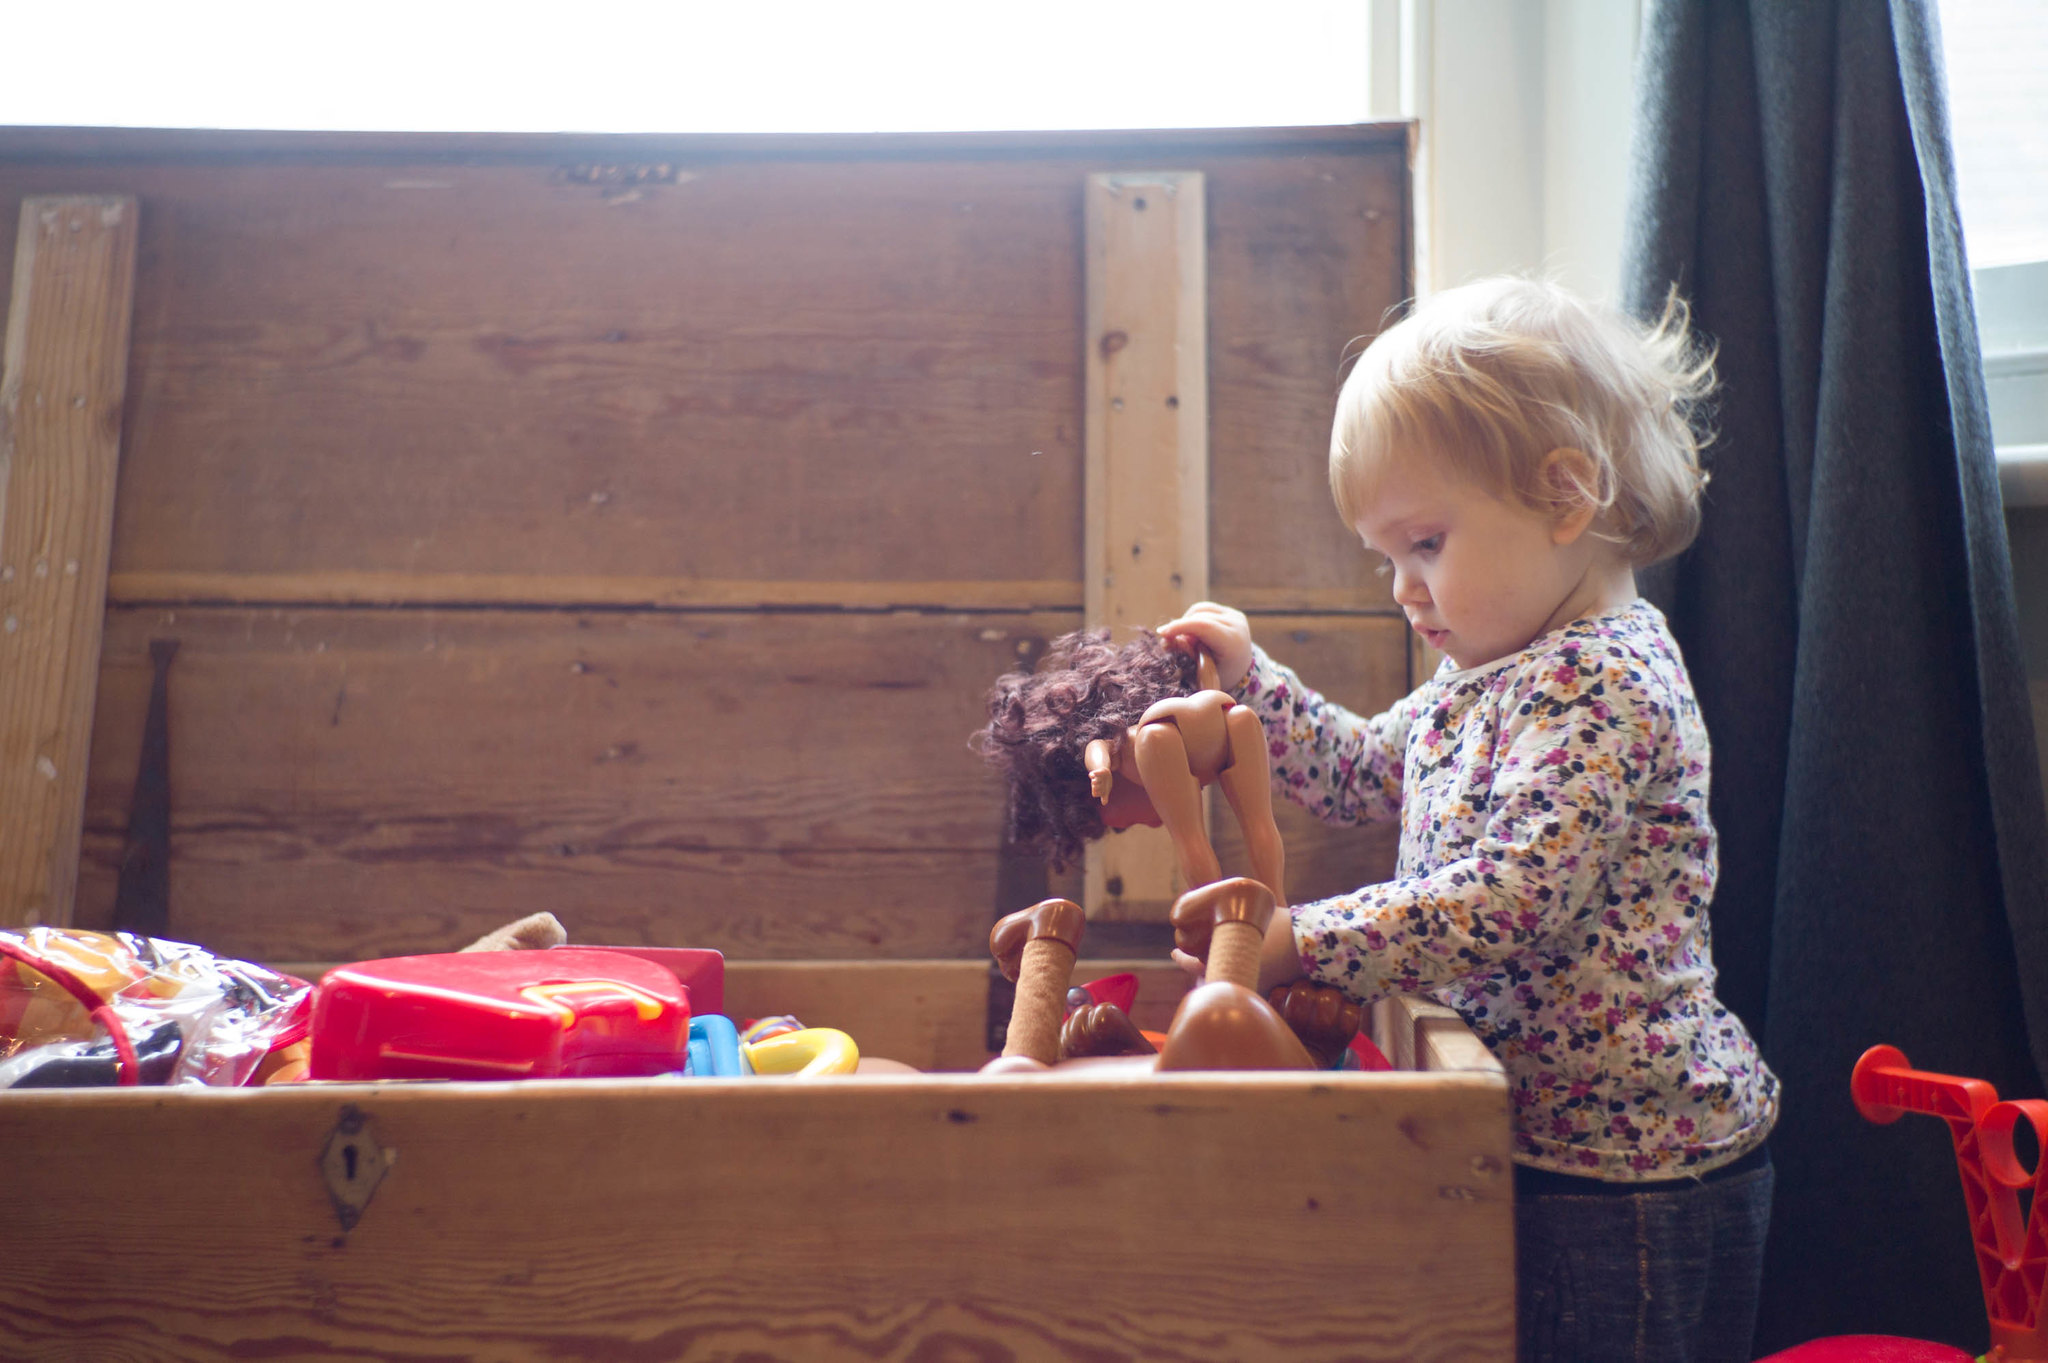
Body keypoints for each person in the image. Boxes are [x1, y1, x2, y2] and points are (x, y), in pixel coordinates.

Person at [1159, 276, 1779, 1363]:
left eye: (1426, 544)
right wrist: (1255, 686)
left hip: (1622, 1165)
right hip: (1528, 1133)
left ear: (1564, 498)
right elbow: (1356, 772)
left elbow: (1513, 897)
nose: (1402, 588)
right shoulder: (1484, 680)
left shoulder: (1604, 681)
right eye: (1387, 558)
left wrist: (1308, 936)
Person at [969, 629, 1286, 906]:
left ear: (1083, 797)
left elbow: (1094, 749)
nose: (1151, 826)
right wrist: (1202, 652)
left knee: (1191, 837)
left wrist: (1100, 772)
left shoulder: (1131, 745)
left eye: (1119, 825)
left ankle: (1221, 919)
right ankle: (1271, 906)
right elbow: (1210, 686)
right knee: (1258, 821)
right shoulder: (1164, 743)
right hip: (1229, 717)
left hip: (1179, 733)